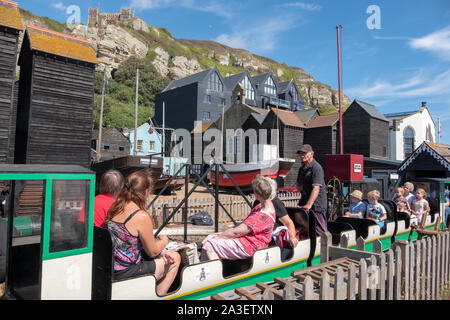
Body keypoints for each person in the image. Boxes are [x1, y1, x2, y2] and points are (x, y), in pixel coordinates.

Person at [103, 169, 180, 296]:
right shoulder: (141, 216)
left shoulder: (115, 207)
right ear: (146, 191)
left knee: (164, 256)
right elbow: (153, 251)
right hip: (127, 272)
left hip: (112, 268)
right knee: (175, 258)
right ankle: (159, 296)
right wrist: (164, 241)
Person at [201, 175, 276, 261]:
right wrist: (220, 234)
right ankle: (202, 266)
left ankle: (214, 272)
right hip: (250, 240)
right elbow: (242, 226)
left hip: (251, 246)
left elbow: (236, 232)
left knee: (210, 244)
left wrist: (218, 237)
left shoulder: (261, 215)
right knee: (209, 237)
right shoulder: (263, 206)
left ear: (258, 195)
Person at [296, 144, 328, 236]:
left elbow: (316, 188)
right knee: (306, 227)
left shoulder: (316, 168)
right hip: (306, 201)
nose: (302, 156)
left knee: (320, 230)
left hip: (317, 204)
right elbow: (299, 185)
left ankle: (325, 248)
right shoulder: (301, 168)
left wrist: (309, 204)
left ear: (312, 153)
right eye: (301, 154)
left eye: (304, 153)